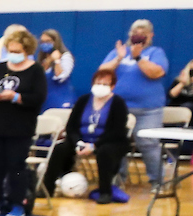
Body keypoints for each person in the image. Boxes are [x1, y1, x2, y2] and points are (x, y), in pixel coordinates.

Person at [0, 29, 47, 216]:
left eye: (17, 51)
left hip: (21, 127)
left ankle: (17, 203)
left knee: (16, 166)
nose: (13, 54)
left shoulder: (35, 70)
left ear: (26, 50)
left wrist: (16, 97)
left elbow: (39, 98)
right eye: (10, 50)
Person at [43, 69, 129, 204]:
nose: (101, 86)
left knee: (105, 152)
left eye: (105, 84)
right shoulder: (83, 100)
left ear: (112, 87)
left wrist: (94, 146)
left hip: (107, 141)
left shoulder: (118, 103)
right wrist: (78, 142)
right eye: (98, 83)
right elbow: (71, 126)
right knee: (60, 148)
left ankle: (105, 191)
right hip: (82, 141)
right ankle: (47, 188)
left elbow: (117, 131)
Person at [100, 19, 169, 185]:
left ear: (150, 36)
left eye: (142, 33)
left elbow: (156, 72)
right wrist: (118, 59)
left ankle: (158, 182)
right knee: (117, 143)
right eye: (134, 33)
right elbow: (102, 73)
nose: (137, 36)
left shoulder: (155, 52)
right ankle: (117, 181)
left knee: (148, 144)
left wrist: (138, 58)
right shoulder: (118, 52)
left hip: (148, 109)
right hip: (119, 108)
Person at [38, 29, 75, 110]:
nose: (45, 44)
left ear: (56, 42)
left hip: (61, 100)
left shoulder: (65, 56)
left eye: (48, 41)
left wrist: (57, 60)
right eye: (42, 42)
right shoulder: (42, 59)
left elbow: (61, 77)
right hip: (45, 101)